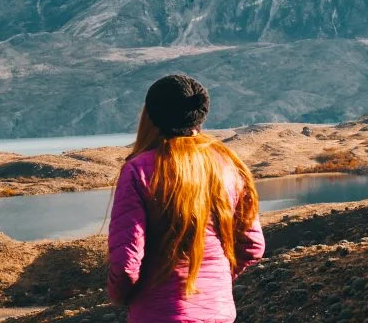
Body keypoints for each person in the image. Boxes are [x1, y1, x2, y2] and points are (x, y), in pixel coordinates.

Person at [108, 74, 266, 323]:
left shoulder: (139, 170)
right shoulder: (228, 164)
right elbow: (252, 246)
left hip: (158, 314)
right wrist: (215, 280)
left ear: (151, 115)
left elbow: (126, 264)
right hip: (219, 313)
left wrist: (123, 297)